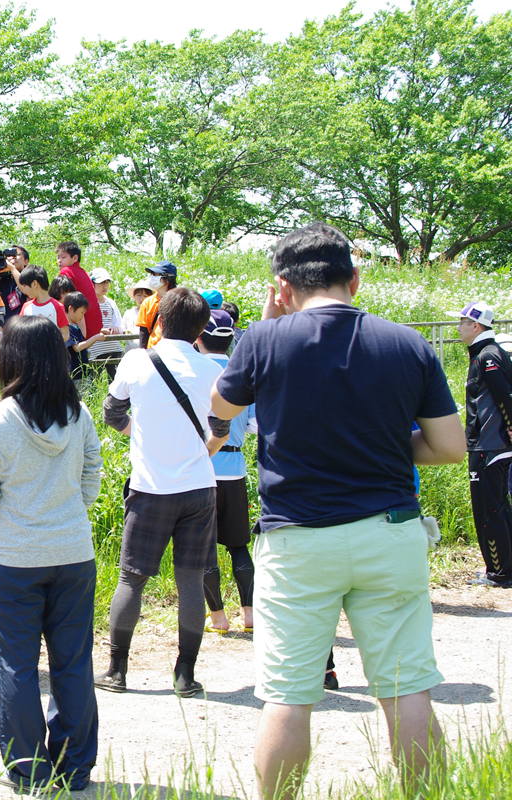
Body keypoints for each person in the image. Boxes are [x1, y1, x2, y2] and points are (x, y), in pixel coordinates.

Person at [211, 222, 465, 800]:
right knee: (406, 689)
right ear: (354, 278)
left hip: (298, 539)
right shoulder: (408, 343)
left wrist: (272, 325)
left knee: (289, 696)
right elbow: (450, 447)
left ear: (282, 285)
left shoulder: (262, 340)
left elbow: (221, 404)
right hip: (391, 531)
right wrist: (378, 444)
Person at [0, 314, 102, 792]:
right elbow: (91, 480)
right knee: (73, 661)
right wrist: (65, 517)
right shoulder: (79, 414)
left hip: (14, 559)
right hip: (73, 554)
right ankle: (74, 766)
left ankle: (29, 769)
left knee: (17, 665)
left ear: (11, 358)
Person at [100, 287, 228, 698]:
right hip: (198, 490)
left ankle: (117, 671)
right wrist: (201, 453)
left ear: (158, 320)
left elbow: (111, 412)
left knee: (132, 578)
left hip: (150, 488)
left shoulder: (136, 361)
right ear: (200, 328)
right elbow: (221, 430)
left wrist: (140, 435)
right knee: (191, 580)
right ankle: (185, 676)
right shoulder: (212, 369)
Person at [194, 310, 256, 634]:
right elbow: (258, 424)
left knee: (205, 548)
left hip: (201, 470)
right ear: (231, 338)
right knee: (239, 545)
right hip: (235, 469)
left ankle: (218, 618)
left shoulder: (194, 371)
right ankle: (249, 614)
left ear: (199, 338)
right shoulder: (241, 373)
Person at [454, 300, 512, 587]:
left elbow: (506, 398)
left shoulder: (487, 357)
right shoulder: (488, 353)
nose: (459, 327)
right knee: (500, 508)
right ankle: (505, 570)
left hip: (489, 447)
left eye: (462, 322)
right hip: (492, 445)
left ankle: (498, 572)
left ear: (475, 325)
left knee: (488, 511)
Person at [55, 242, 101, 338]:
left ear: (75, 258)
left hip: (81, 321)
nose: (59, 261)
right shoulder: (83, 272)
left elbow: (63, 297)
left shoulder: (66, 271)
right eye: (58, 257)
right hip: (94, 323)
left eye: (63, 257)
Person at [87, 268, 125, 380]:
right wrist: (100, 330)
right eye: (101, 283)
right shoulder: (87, 303)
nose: (105, 286)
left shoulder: (110, 303)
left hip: (113, 348)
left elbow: (119, 325)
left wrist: (115, 329)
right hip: (95, 349)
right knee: (93, 382)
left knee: (116, 381)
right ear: (92, 283)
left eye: (107, 282)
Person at [63, 293, 106, 385]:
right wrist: (94, 338)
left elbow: (83, 346)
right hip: (74, 373)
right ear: (71, 309)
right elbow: (77, 347)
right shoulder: (67, 328)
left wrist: (95, 339)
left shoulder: (76, 327)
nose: (82, 316)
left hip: (81, 372)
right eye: (81, 312)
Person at [136, 260, 178, 349]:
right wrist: (143, 353)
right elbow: (144, 331)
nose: (151, 277)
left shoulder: (179, 301)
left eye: (155, 274)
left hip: (174, 351)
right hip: (153, 351)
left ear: (167, 278)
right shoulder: (148, 302)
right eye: (151, 274)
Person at [121, 280, 154, 352]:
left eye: (145, 296)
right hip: (130, 351)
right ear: (134, 296)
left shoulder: (152, 313)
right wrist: (126, 332)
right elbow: (122, 329)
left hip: (148, 350)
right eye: (138, 295)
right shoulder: (128, 313)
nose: (141, 299)